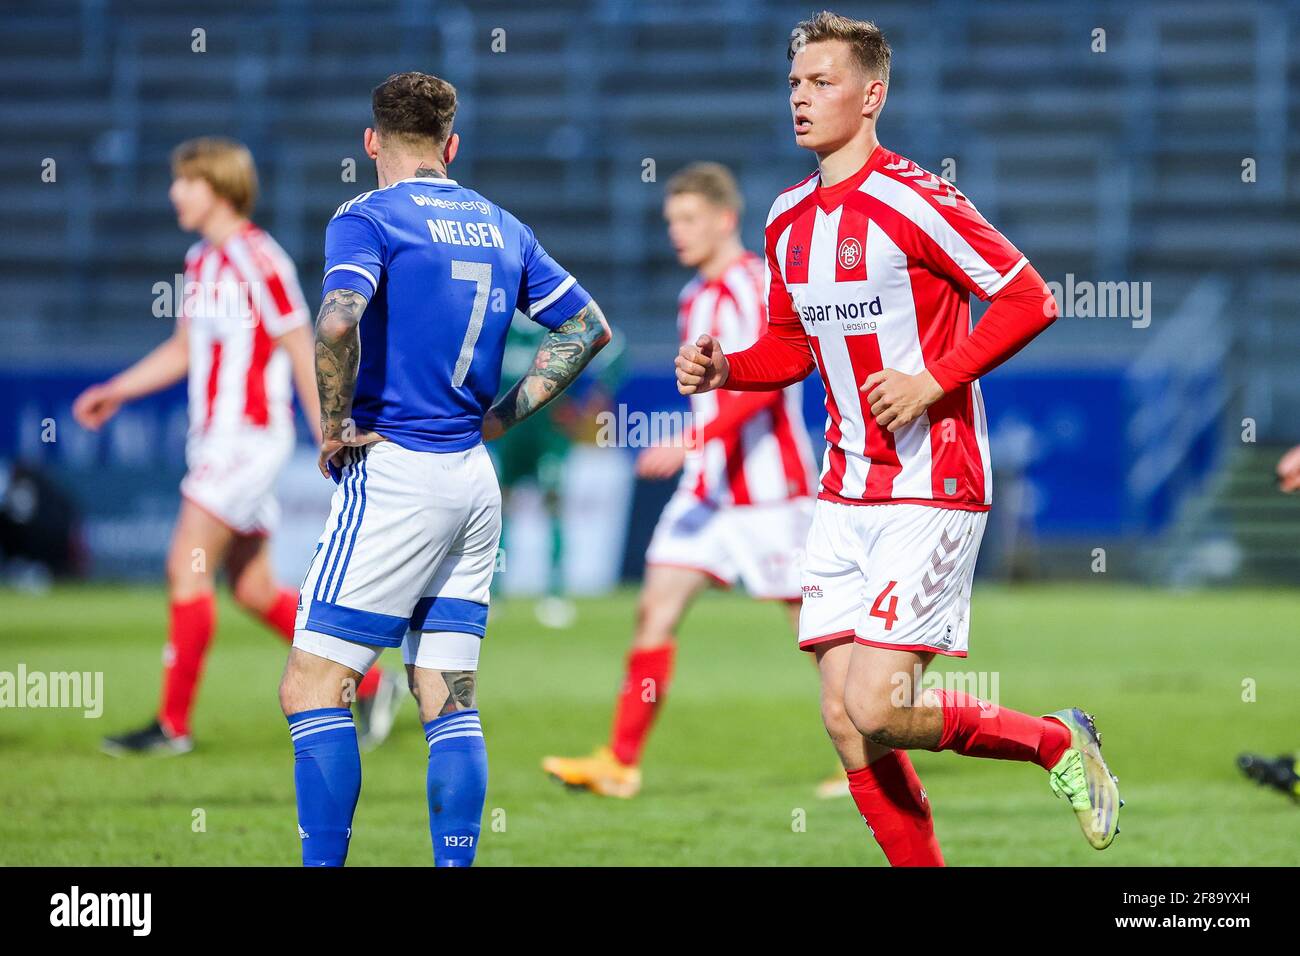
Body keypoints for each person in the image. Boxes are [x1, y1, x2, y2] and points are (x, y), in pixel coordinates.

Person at [674, 12, 1122, 864]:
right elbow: (793, 349)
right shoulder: (787, 217)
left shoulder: (915, 197)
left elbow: (1029, 297)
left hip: (932, 481)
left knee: (879, 706)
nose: (801, 98)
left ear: (872, 94)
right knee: (847, 723)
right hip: (844, 490)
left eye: (823, 82)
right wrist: (727, 368)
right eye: (796, 82)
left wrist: (932, 380)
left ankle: (1055, 741)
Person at [277, 72, 611, 866]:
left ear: (371, 143)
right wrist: (502, 413)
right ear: (451, 145)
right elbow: (588, 326)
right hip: (471, 478)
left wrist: (332, 424)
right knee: (448, 696)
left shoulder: (366, 217)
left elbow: (335, 321)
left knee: (312, 686)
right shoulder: (501, 226)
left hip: (396, 471)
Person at [74, 137, 398, 757]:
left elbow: (302, 343)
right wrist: (115, 391)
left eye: (186, 181)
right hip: (218, 440)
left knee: (183, 563)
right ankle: (373, 681)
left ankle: (173, 726)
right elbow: (183, 349)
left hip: (248, 439)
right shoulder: (201, 261)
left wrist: (328, 430)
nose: (175, 192)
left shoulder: (258, 257)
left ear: (218, 186)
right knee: (250, 586)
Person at [542, 162, 819, 798]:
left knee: (819, 638)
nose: (677, 232)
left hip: (770, 496)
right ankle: (621, 761)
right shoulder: (694, 297)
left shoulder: (756, 284)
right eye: (670, 221)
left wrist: (693, 436)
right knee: (654, 611)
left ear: (725, 219)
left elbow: (771, 381)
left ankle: (877, 757)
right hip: (707, 493)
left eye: (689, 219)